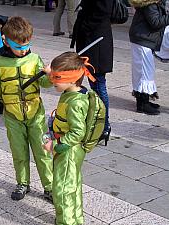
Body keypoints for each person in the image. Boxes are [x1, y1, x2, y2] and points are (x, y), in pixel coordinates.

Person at [0, 16, 53, 201]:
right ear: (6, 41)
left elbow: (44, 83)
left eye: (26, 46)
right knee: (19, 152)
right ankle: (23, 183)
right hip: (13, 117)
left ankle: (50, 186)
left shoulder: (35, 59)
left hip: (36, 114)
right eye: (19, 47)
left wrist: (50, 76)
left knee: (43, 151)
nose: (23, 51)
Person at [43, 52, 97, 225]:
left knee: (63, 189)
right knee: (72, 185)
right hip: (69, 149)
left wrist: (56, 144)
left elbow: (78, 132)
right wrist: (50, 72)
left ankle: (66, 222)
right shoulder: (73, 91)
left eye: (56, 77)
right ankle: (76, 220)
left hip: (69, 150)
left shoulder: (75, 103)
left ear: (73, 79)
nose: (52, 81)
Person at [70, 0, 113, 145]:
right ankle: (99, 124)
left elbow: (103, 11)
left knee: (99, 84)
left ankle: (104, 127)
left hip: (96, 41)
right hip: (91, 39)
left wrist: (85, 27)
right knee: (95, 84)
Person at [129, 0, 169, 115]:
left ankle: (143, 100)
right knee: (144, 72)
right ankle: (142, 104)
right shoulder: (150, 4)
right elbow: (155, 23)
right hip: (142, 39)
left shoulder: (151, 3)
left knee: (143, 71)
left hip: (143, 38)